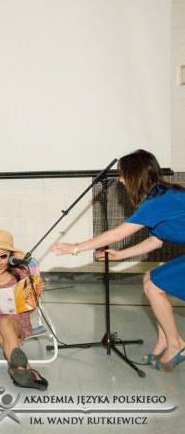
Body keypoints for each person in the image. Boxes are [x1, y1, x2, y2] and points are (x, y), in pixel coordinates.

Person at [51, 149, 185, 372]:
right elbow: (155, 241)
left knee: (154, 285)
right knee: (150, 280)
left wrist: (76, 248)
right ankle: (164, 342)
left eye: (123, 174)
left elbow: (118, 234)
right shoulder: (160, 196)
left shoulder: (160, 200)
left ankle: (176, 344)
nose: (121, 180)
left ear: (135, 175)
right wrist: (120, 255)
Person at [0, 230, 48, 390]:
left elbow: (29, 310)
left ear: (10, 256)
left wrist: (35, 294)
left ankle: (19, 371)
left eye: (3, 256)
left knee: (6, 322)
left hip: (17, 319)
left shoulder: (21, 273)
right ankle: (25, 370)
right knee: (2, 323)